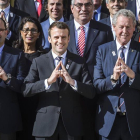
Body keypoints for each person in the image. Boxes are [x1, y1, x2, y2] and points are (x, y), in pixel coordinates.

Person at [22, 21, 95, 140]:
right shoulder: (39, 61)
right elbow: (26, 89)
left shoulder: (79, 62)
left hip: (72, 127)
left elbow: (91, 92)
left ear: (69, 38)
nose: (60, 41)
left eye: (63, 37)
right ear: (49, 39)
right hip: (45, 126)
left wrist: (72, 82)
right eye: (56, 37)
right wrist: (48, 82)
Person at [67, 1, 113, 139]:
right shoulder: (64, 28)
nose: (83, 9)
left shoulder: (104, 30)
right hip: (69, 91)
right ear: (71, 8)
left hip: (94, 92)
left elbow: (108, 60)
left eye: (87, 5)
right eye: (79, 5)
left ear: (93, 7)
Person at [94, 9, 140, 140]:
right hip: (108, 120)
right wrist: (113, 79)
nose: (124, 31)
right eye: (121, 27)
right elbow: (97, 85)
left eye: (128, 27)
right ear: (113, 27)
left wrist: (133, 76)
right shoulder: (102, 50)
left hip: (133, 122)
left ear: (134, 28)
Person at [13, 16, 45, 140]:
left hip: (37, 106)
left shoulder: (45, 56)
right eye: (26, 30)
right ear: (21, 32)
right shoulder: (13, 53)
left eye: (33, 30)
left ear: (38, 34)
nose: (29, 33)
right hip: (17, 105)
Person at [0, 18, 27, 140]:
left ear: (6, 32)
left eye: (0, 30)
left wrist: (7, 78)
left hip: (7, 119)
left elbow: (23, 86)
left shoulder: (17, 55)